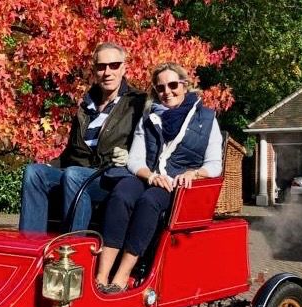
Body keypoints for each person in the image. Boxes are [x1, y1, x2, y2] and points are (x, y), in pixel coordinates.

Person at [95, 62, 223, 293]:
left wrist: (193, 173)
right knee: (121, 194)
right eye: (160, 88)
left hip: (178, 186)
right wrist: (151, 176)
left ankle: (122, 277)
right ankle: (101, 276)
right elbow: (135, 160)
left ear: (185, 85)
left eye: (173, 85)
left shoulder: (206, 118)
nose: (167, 92)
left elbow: (214, 165)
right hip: (150, 177)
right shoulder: (149, 116)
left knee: (149, 202)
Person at [18, 43, 146, 233]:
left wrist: (131, 157)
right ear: (94, 70)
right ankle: (32, 247)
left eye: (114, 65)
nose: (107, 72)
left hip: (110, 176)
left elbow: (151, 141)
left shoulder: (137, 102)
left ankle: (72, 251)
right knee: (34, 172)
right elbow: (71, 151)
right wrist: (49, 166)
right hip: (78, 171)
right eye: (101, 66)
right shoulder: (87, 105)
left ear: (124, 68)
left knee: (74, 175)